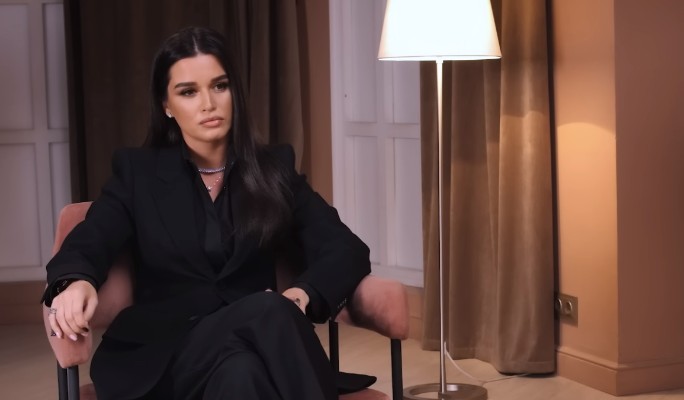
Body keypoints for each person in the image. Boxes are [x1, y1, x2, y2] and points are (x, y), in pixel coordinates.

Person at [42, 26, 370, 400]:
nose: (208, 103)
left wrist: (302, 294)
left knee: (242, 372)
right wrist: (77, 280)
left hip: (249, 351)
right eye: (188, 92)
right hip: (163, 357)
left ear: (235, 93)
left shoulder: (274, 170)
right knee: (267, 308)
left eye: (219, 86)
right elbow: (91, 238)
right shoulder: (138, 173)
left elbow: (346, 249)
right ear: (166, 105)